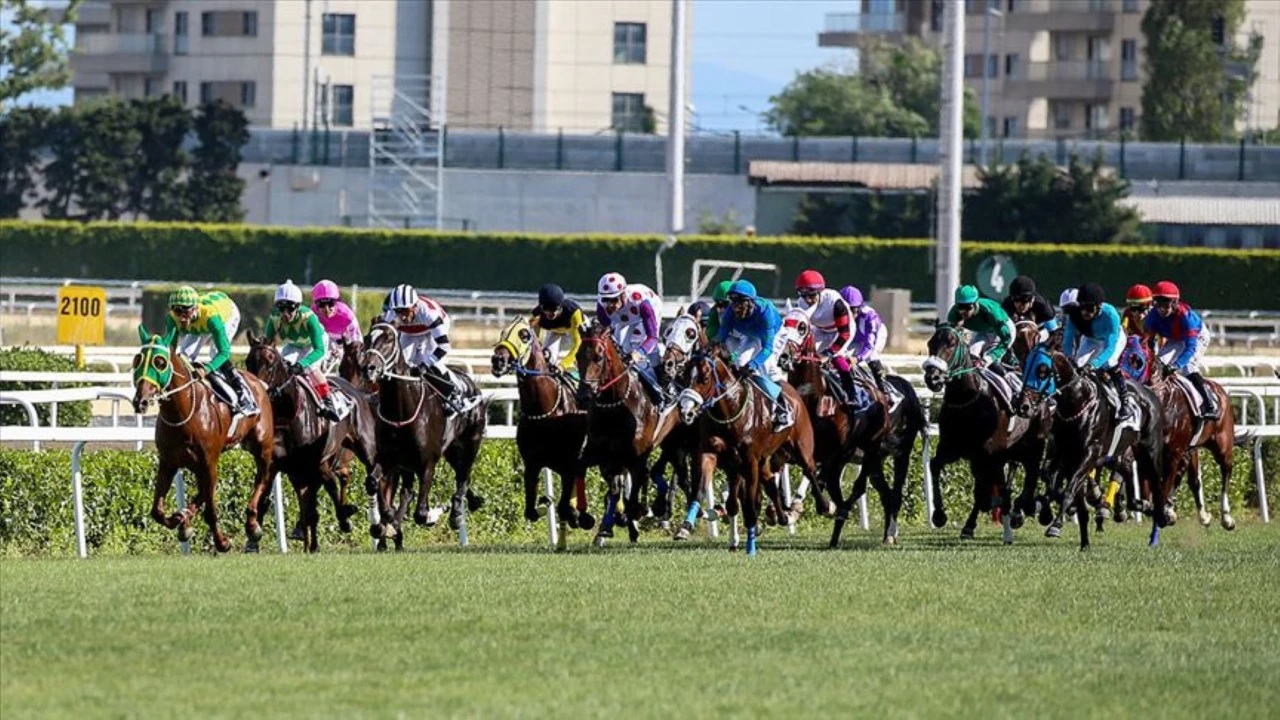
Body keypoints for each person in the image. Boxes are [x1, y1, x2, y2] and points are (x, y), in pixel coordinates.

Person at [161, 285, 256, 416]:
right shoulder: (172, 318)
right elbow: (170, 350)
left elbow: (224, 352)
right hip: (200, 321)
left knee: (215, 353)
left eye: (185, 312)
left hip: (226, 313)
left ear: (194, 309)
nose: (182, 318)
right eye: (177, 312)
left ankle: (243, 395)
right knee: (184, 356)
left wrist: (206, 369)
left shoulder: (212, 319)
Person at [715, 279, 792, 431]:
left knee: (765, 367)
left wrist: (753, 365)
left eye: (740, 302)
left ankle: (783, 408)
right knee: (739, 363)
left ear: (751, 302)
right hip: (751, 336)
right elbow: (721, 335)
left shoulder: (765, 313)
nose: (736, 307)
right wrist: (712, 346)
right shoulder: (731, 311)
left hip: (774, 335)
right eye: (733, 302)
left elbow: (768, 348)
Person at [381, 283, 468, 415]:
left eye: (406, 311)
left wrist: (425, 364)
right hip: (410, 333)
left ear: (415, 307)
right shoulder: (390, 316)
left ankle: (455, 392)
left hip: (432, 329)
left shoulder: (429, 314)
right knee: (400, 361)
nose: (402, 316)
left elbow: (444, 346)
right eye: (398, 311)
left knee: (429, 359)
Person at [264, 280, 339, 420]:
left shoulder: (309, 318)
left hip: (315, 344)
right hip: (294, 345)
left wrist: (301, 364)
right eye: (281, 308)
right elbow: (265, 345)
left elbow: (320, 350)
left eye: (290, 308)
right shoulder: (274, 318)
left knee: (310, 367)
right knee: (282, 367)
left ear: (298, 307)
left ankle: (328, 402)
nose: (285, 313)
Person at [1145, 280, 1217, 417]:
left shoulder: (1186, 318)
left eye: (1165, 304)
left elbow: (1190, 348)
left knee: (1187, 367)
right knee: (1159, 364)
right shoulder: (1153, 316)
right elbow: (1148, 341)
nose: (1161, 309)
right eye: (1158, 303)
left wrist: (1176, 365)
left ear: (1174, 303)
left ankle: (1209, 403)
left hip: (1197, 337)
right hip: (1175, 338)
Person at [1063, 282, 1133, 422]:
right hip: (1090, 338)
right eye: (1082, 307)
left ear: (1099, 307)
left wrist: (1094, 364)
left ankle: (1125, 403)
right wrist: (1068, 357)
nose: (1084, 313)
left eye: (1089, 309)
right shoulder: (1075, 314)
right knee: (1077, 365)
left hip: (1113, 339)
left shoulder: (1111, 315)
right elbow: (1068, 340)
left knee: (1108, 362)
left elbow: (1110, 348)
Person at [594, 272, 667, 405]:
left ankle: (663, 387)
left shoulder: (643, 302)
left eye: (614, 299)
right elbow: (606, 335)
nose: (609, 305)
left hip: (643, 312)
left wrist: (639, 353)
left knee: (647, 352)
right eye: (606, 300)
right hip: (622, 319)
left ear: (623, 295)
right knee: (620, 350)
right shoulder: (601, 306)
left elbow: (652, 337)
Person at [794, 269, 860, 406]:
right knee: (804, 355)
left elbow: (844, 334)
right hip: (820, 329)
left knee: (836, 356)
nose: (808, 300)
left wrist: (828, 353)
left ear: (820, 291)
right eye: (803, 295)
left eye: (811, 295)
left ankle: (851, 394)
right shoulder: (801, 303)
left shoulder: (834, 302)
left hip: (842, 330)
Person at [839, 286, 893, 398]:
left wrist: (857, 358)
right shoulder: (836, 315)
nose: (850, 315)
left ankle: (885, 389)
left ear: (860, 307)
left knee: (871, 356)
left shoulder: (870, 317)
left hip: (875, 337)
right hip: (854, 338)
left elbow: (869, 346)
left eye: (853, 310)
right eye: (846, 310)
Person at [947, 285, 1016, 373]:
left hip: (1003, 331)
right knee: (971, 356)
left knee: (991, 362)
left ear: (976, 303)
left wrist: (990, 358)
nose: (962, 311)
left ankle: (1011, 381)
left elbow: (1006, 339)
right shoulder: (954, 314)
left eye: (968, 307)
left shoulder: (990, 312)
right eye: (960, 307)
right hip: (982, 332)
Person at [529, 283, 586, 374]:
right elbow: (536, 341)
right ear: (541, 308)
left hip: (573, 330)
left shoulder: (574, 313)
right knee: (547, 359)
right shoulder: (535, 316)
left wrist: (563, 365)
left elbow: (578, 344)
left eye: (555, 309)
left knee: (582, 357)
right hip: (554, 332)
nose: (552, 313)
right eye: (547, 310)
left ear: (561, 305)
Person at [311, 279, 362, 376]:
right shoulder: (312, 313)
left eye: (330, 303)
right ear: (316, 304)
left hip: (342, 347)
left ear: (337, 301)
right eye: (321, 304)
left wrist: (344, 352)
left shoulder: (347, 315)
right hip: (322, 347)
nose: (326, 309)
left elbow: (357, 342)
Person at [1121, 283, 1155, 349]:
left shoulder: (1156, 316)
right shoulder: (1127, 314)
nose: (1136, 313)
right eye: (1133, 309)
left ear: (1150, 306)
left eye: (1141, 309)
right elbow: (1122, 332)